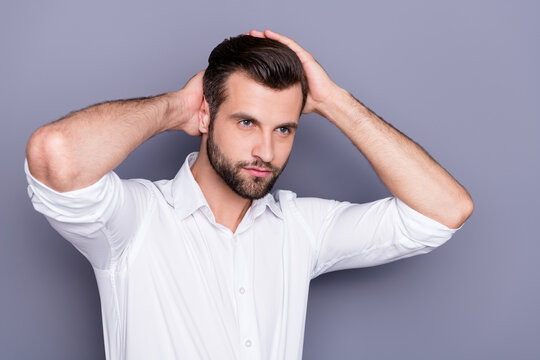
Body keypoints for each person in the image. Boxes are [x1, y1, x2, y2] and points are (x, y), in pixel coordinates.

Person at [24, 29, 473, 360]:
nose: (266, 151)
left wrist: (336, 102)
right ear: (206, 116)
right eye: (245, 123)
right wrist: (178, 107)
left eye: (284, 129)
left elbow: (445, 209)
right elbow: (56, 154)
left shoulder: (301, 229)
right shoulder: (132, 222)